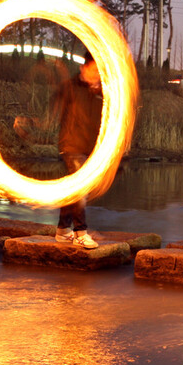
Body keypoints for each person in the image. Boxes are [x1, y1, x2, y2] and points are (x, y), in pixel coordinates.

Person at [53, 52, 103, 249]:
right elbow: (53, 109)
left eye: (100, 71)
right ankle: (80, 232)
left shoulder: (102, 91)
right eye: (93, 70)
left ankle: (62, 230)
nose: (97, 74)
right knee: (80, 189)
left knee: (74, 189)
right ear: (84, 68)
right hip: (72, 145)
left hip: (90, 147)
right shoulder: (71, 87)